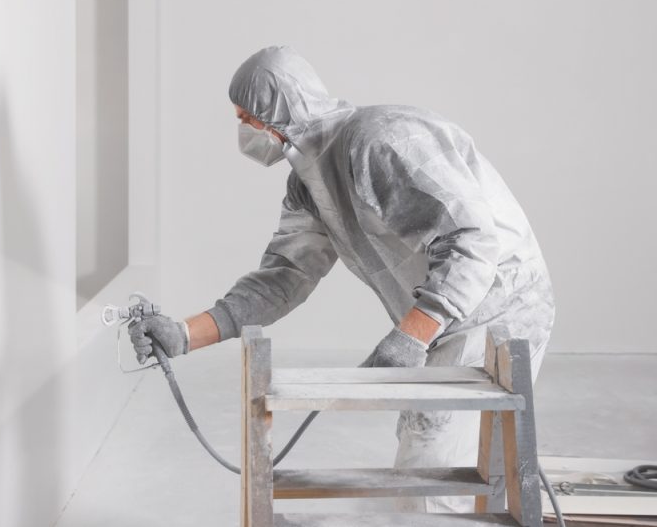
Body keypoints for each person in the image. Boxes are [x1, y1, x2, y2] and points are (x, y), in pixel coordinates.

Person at [128, 45, 556, 512]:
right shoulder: (308, 183)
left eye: (247, 118)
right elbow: (283, 277)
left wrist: (413, 334)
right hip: (447, 321)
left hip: (498, 306)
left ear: (279, 111)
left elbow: (473, 240)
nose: (243, 132)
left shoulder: (381, 140)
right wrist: (186, 334)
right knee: (436, 449)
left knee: (435, 456)